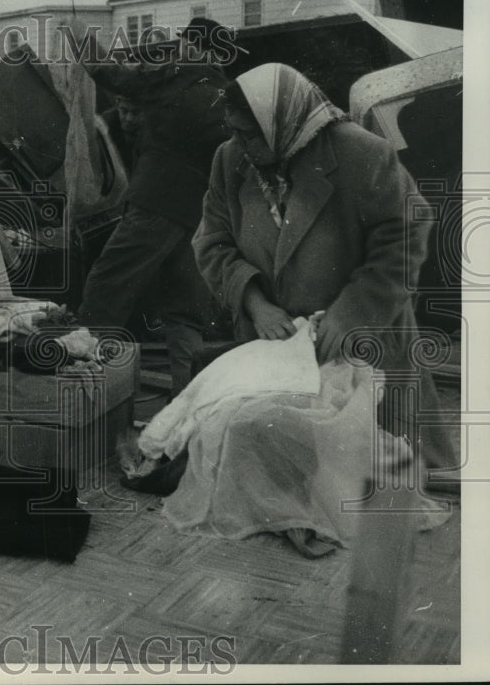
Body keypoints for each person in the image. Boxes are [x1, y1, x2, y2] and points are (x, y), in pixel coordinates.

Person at [192, 62, 457, 489]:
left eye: (248, 133)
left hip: (365, 337)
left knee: (387, 476)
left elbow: (407, 232)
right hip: (282, 342)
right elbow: (211, 241)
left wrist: (352, 312)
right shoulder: (230, 160)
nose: (237, 144)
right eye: (233, 131)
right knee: (291, 476)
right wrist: (256, 304)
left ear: (281, 123)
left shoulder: (360, 153)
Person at [80, 59, 229, 394]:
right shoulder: (221, 94)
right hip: (196, 217)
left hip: (157, 205)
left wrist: (80, 42)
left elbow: (113, 73)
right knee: (185, 312)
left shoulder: (178, 78)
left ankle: (82, 387)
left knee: (105, 289)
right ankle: (188, 405)